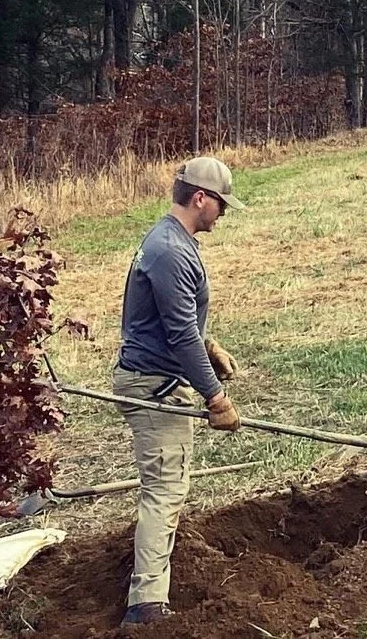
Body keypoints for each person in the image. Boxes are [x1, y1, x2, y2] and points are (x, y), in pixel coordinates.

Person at [112, 157, 246, 625]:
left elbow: (177, 322)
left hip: (158, 378)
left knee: (167, 488)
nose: (223, 213)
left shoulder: (171, 242)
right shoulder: (170, 251)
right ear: (200, 198)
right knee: (164, 491)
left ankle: (149, 592)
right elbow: (178, 334)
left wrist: (208, 346)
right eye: (221, 203)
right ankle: (146, 606)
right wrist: (216, 398)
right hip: (153, 386)